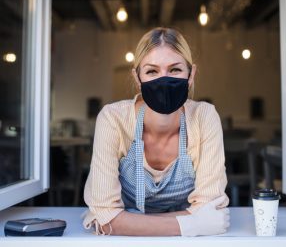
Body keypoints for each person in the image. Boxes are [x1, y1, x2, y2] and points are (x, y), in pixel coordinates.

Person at [83, 27, 230, 236]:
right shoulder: (113, 118)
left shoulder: (204, 117)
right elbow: (105, 216)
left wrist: (126, 221)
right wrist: (192, 224)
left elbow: (210, 209)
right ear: (137, 78)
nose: (164, 80)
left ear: (191, 74)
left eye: (175, 70)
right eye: (152, 71)